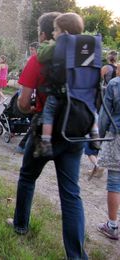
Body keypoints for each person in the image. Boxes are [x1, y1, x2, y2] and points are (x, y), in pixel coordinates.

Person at [7, 12, 89, 259]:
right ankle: (76, 256)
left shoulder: (39, 58)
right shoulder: (86, 55)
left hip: (46, 131)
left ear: (52, 33)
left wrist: (28, 108)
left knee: (28, 177)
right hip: (76, 130)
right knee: (71, 193)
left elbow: (22, 102)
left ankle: (21, 224)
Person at [34, 13, 100, 158]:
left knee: (48, 113)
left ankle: (45, 142)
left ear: (64, 33)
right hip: (85, 92)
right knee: (91, 107)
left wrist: (52, 43)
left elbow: (41, 55)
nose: (53, 33)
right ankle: (94, 133)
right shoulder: (88, 45)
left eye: (56, 30)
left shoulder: (61, 44)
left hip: (62, 93)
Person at [97, 64, 120, 240]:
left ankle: (112, 225)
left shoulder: (114, 84)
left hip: (116, 135)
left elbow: (105, 116)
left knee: (114, 182)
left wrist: (100, 136)